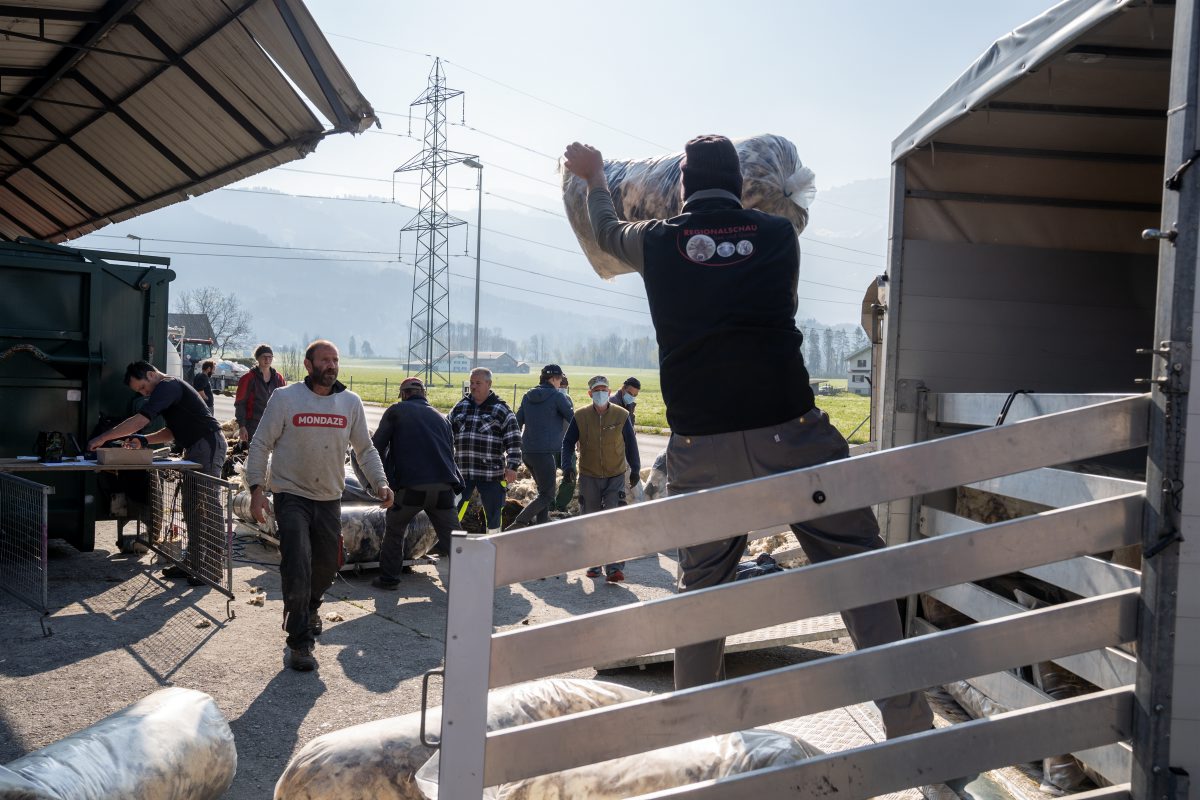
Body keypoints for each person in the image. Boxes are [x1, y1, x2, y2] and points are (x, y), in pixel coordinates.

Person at [563, 135, 933, 737]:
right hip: (791, 431)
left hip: (700, 449)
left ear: (678, 188)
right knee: (858, 570)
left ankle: (697, 743)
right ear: (741, 186)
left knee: (701, 594)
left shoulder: (656, 241)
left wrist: (598, 174)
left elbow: (604, 231)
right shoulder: (779, 236)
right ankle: (909, 726)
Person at [244, 340, 393, 671]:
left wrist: (380, 482)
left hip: (329, 497)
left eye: (335, 360)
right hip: (291, 495)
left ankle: (310, 605)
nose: (332, 365)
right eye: (325, 360)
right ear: (309, 366)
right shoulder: (286, 399)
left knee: (327, 564)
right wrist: (256, 489)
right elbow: (260, 443)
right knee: (297, 562)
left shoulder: (349, 403)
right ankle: (299, 642)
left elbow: (365, 450)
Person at [88, 361, 228, 586]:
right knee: (190, 506)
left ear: (152, 374)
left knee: (208, 504)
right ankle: (192, 562)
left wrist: (104, 437)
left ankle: (212, 567)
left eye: (143, 387)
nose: (144, 393)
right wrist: (144, 439)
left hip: (207, 444)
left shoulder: (168, 385)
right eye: (140, 392)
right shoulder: (169, 391)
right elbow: (171, 431)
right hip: (195, 447)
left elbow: (141, 419)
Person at [370, 377, 463, 589]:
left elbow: (375, 449)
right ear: (423, 393)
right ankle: (470, 579)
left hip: (411, 489)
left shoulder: (396, 411)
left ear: (404, 394)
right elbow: (450, 454)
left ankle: (388, 579)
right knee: (455, 540)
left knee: (395, 530)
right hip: (444, 490)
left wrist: (384, 482)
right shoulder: (442, 418)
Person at [561, 376, 640, 583]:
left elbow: (631, 444)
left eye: (604, 389)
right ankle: (594, 564)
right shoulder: (580, 416)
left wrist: (636, 470)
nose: (601, 393)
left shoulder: (621, 415)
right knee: (592, 520)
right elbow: (567, 443)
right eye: (596, 390)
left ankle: (614, 566)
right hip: (590, 475)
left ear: (610, 390)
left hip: (615, 475)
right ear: (590, 393)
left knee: (614, 518)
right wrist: (568, 466)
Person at [449, 367, 521, 534]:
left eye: (478, 383)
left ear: (489, 384)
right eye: (471, 383)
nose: (473, 387)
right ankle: (448, 543)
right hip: (462, 472)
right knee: (453, 509)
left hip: (491, 474)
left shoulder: (501, 410)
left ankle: (493, 543)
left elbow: (514, 440)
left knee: (493, 513)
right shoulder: (460, 407)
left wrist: (512, 466)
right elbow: (445, 434)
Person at [508, 364, 575, 529]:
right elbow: (573, 419)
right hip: (545, 453)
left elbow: (517, 422)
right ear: (553, 379)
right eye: (560, 379)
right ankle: (519, 522)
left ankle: (542, 525)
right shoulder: (557, 397)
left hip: (528, 452)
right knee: (548, 495)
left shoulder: (527, 396)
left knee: (543, 491)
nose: (560, 383)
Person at [235, 343, 285, 444]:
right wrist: (242, 426)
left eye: (270, 357)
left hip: (274, 424)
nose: (267, 360)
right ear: (257, 358)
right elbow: (240, 403)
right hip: (253, 424)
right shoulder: (248, 378)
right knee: (255, 455)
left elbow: (284, 402)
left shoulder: (279, 378)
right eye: (264, 357)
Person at [552, 375, 577, 512]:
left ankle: (561, 505)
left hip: (566, 446)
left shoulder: (568, 400)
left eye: (564, 387)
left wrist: (577, 438)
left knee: (571, 474)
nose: (562, 389)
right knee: (548, 478)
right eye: (560, 386)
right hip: (549, 447)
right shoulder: (548, 401)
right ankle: (548, 505)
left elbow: (572, 422)